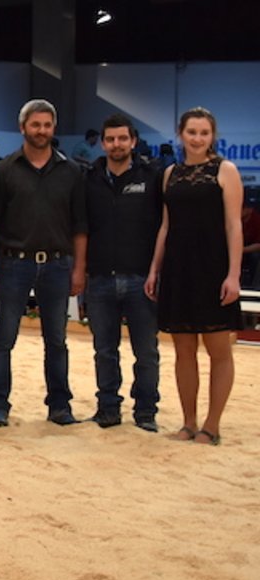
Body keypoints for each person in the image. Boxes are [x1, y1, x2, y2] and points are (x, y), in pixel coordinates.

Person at [0, 99, 86, 427]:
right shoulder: (2, 171)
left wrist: (79, 269)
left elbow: (80, 227)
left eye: (47, 125)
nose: (42, 131)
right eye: (35, 125)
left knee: (56, 340)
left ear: (54, 129)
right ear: (22, 127)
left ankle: (59, 406)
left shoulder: (72, 171)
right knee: (4, 338)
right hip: (13, 265)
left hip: (58, 265)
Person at [145, 107, 243, 446]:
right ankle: (188, 422)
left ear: (212, 136)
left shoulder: (226, 171)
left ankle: (212, 425)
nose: (198, 138)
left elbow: (234, 225)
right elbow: (166, 226)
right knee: (183, 349)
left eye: (204, 132)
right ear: (180, 134)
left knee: (218, 349)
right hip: (178, 268)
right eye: (192, 132)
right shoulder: (170, 173)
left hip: (213, 269)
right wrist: (155, 269)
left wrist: (233, 274)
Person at [83, 114, 162, 432]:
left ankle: (145, 412)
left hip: (141, 278)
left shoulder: (153, 177)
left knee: (146, 352)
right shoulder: (88, 179)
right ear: (103, 143)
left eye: (122, 139)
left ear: (133, 141)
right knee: (104, 351)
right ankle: (108, 409)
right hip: (99, 278)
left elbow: (162, 228)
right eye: (111, 139)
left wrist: (158, 272)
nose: (117, 144)